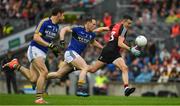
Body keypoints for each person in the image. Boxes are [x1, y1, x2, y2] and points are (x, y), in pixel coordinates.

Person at [3, 7, 65, 104]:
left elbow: (49, 41)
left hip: (43, 53)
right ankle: (38, 98)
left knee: (33, 78)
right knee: (44, 72)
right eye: (63, 14)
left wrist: (55, 50)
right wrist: (50, 45)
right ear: (58, 14)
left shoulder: (56, 27)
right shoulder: (44, 22)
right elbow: (36, 37)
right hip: (35, 49)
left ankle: (15, 65)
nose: (64, 16)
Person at [79, 15, 141, 96]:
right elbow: (120, 43)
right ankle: (78, 66)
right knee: (92, 69)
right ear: (124, 21)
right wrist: (131, 49)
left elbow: (103, 29)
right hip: (110, 51)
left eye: (130, 24)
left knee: (124, 68)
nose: (129, 25)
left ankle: (126, 88)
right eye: (128, 23)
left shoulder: (115, 25)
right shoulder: (124, 29)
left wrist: (93, 31)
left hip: (112, 52)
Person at [47, 16, 104, 96]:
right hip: (70, 52)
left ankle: (41, 78)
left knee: (58, 74)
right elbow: (64, 29)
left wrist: (103, 48)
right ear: (88, 23)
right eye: (93, 24)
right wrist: (62, 40)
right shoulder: (77, 29)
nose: (95, 26)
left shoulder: (92, 34)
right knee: (85, 67)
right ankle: (80, 89)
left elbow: (93, 42)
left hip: (73, 56)